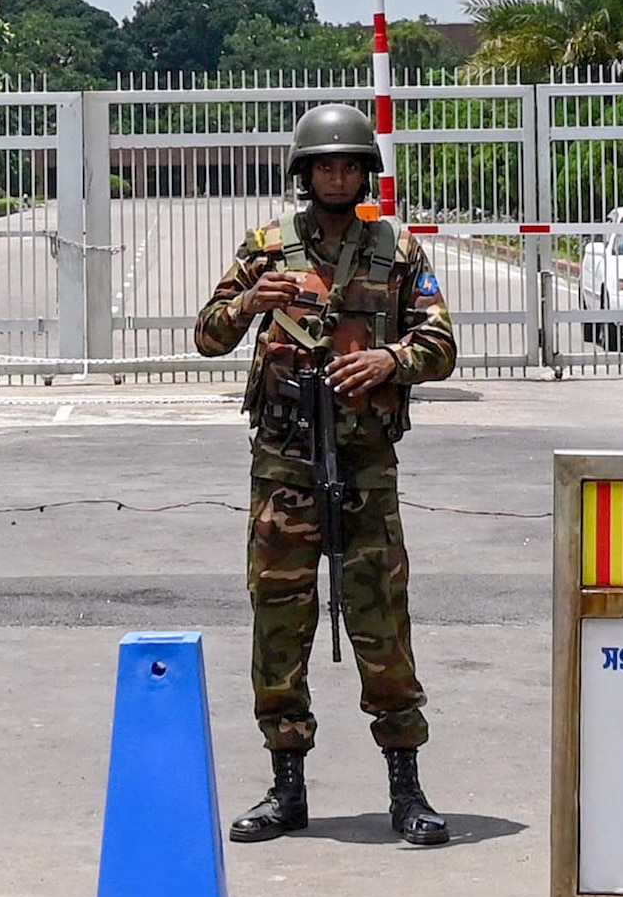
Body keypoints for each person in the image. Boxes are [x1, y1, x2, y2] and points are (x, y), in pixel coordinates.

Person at [195, 100, 459, 847]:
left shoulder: (396, 250)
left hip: (366, 467)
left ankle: (406, 786)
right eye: (324, 167)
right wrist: (249, 302)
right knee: (279, 622)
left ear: (364, 173)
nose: (337, 177)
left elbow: (441, 344)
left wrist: (391, 359)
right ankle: (286, 786)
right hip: (285, 465)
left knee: (382, 622)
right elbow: (208, 335)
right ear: (304, 174)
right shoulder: (267, 247)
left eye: (348, 166)